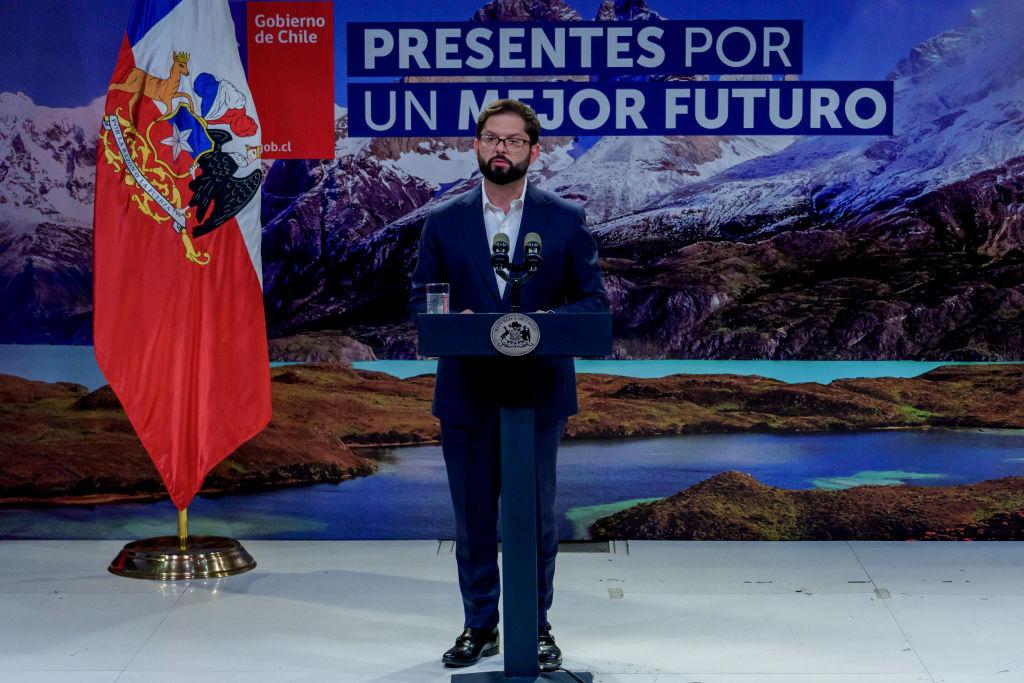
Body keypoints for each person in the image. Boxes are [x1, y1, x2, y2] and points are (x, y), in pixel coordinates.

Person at [408, 99, 609, 671]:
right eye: (491, 138)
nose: (501, 148)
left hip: (537, 394)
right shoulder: (443, 222)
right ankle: (480, 627)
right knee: (472, 521)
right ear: (476, 146)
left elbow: (592, 302)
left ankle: (536, 627)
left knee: (536, 520)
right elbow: (422, 299)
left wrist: (537, 328)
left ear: (533, 151)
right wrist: (455, 322)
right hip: (467, 394)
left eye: (514, 140)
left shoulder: (565, 219)